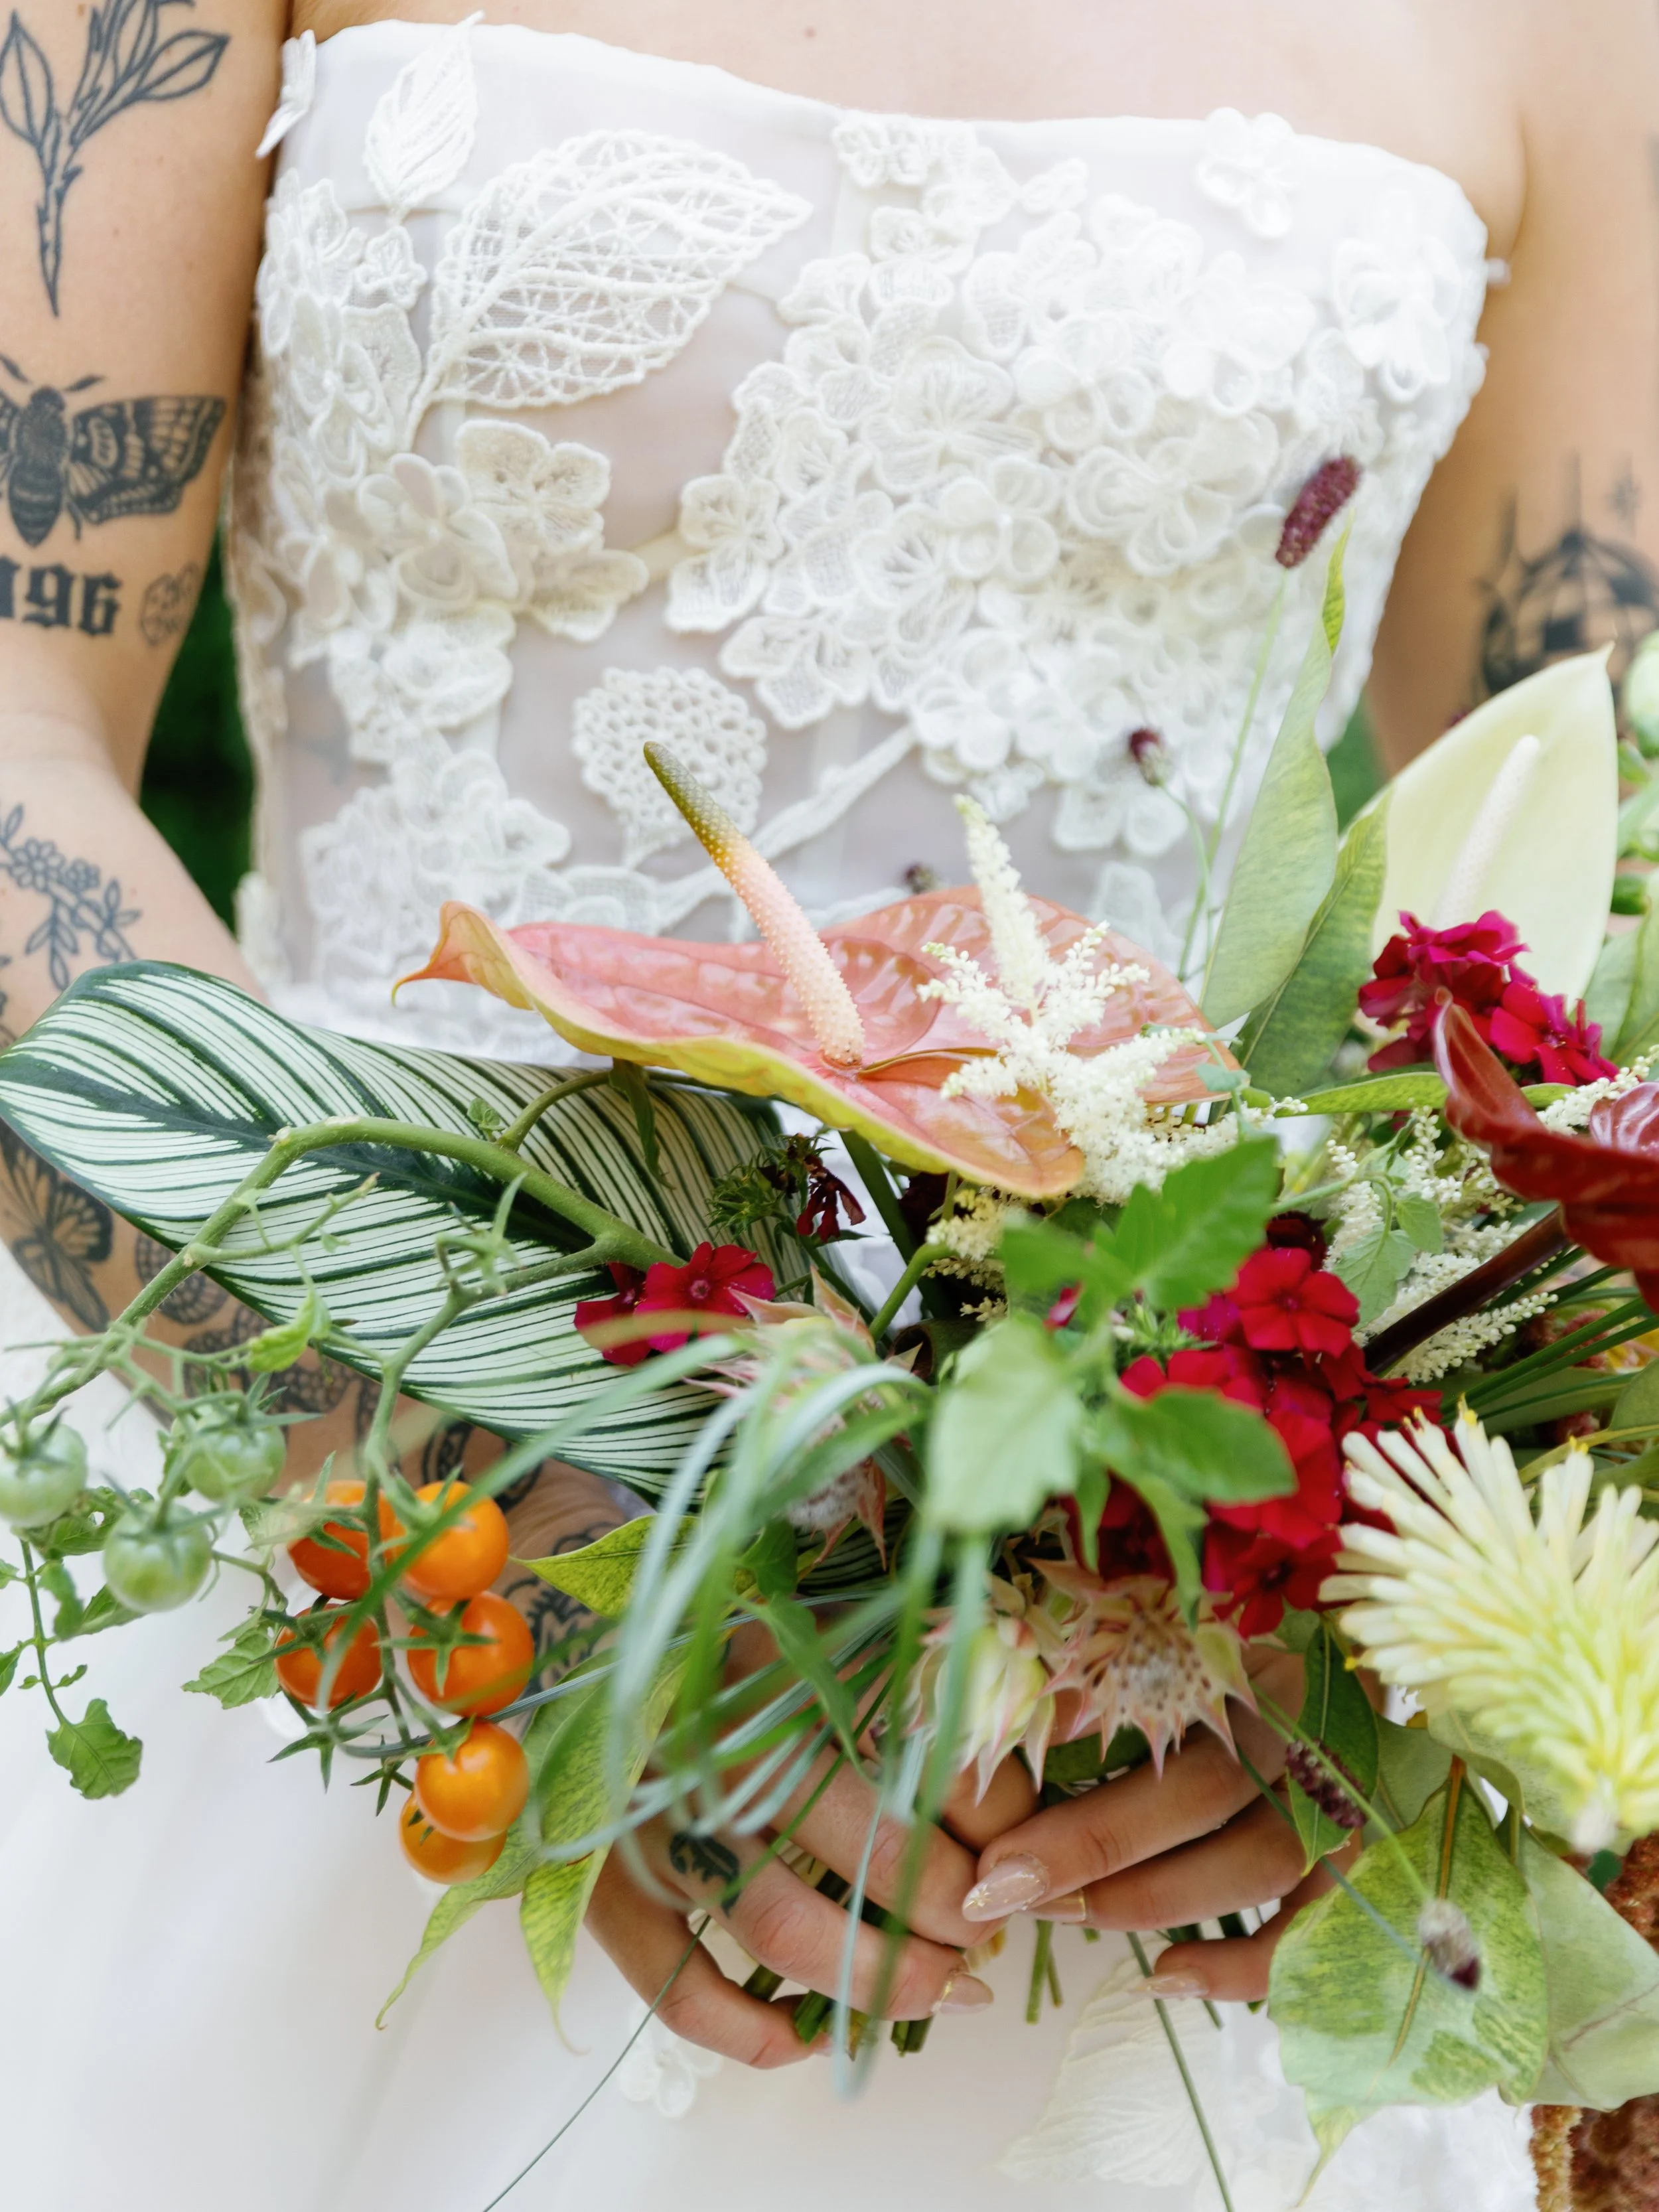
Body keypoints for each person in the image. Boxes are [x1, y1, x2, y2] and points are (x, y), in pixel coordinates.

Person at [0, 2, 1654, 2205]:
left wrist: (1381, 1605)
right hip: (358, 1492)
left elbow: (1582, 914)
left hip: (1146, 1693)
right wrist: (530, 1561)